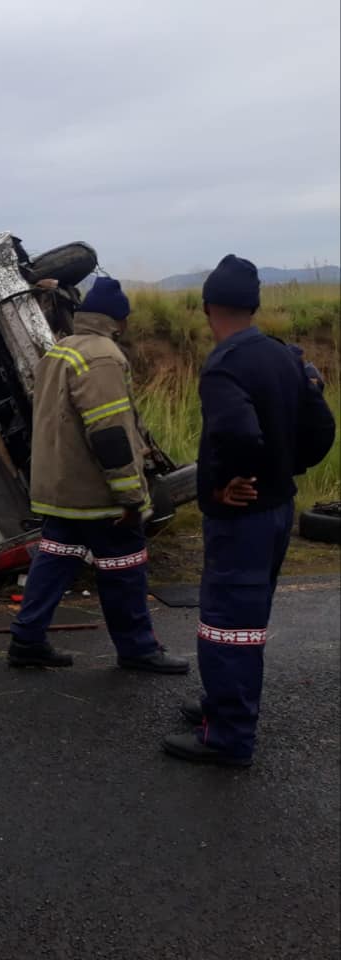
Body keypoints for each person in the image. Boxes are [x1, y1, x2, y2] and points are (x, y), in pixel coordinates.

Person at [162, 255, 336, 767]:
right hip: (279, 509)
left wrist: (229, 485)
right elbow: (322, 429)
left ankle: (229, 736)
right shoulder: (285, 356)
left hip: (242, 518)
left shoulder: (225, 365)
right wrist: (283, 470)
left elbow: (238, 432)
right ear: (255, 305)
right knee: (247, 620)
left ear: (207, 306)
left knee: (226, 624)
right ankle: (221, 706)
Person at [7, 276, 188, 675]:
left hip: (60, 489)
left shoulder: (61, 351)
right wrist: (129, 495)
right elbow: (108, 432)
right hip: (96, 493)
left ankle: (27, 640)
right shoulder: (104, 356)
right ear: (118, 320)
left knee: (53, 563)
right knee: (125, 569)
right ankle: (138, 649)